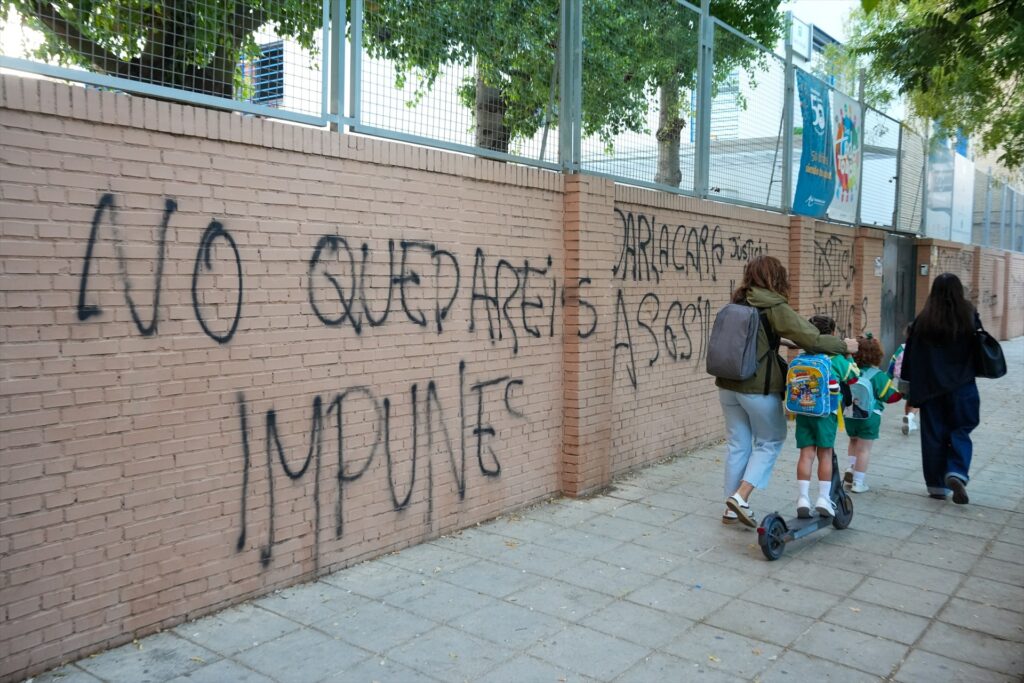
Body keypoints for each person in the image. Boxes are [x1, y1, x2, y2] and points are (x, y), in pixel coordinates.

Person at [715, 256, 858, 527]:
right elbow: (812, 337)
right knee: (770, 440)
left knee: (738, 445)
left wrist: (778, 339)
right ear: (775, 279)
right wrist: (844, 346)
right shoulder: (772, 305)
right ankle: (741, 496)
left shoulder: (738, 302)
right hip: (757, 387)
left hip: (727, 386)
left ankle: (731, 508)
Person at [902, 273, 981, 504]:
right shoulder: (968, 316)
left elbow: (911, 354)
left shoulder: (924, 320)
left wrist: (908, 385)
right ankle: (956, 471)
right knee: (962, 428)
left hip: (930, 388)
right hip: (962, 386)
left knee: (933, 434)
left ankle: (936, 486)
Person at [794, 315, 859, 518]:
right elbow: (854, 376)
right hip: (826, 414)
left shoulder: (803, 357)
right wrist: (849, 355)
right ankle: (823, 498)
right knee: (825, 454)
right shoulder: (837, 359)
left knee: (806, 454)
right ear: (832, 334)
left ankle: (803, 498)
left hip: (804, 411)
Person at [843, 333, 903, 493]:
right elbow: (891, 397)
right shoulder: (879, 376)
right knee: (864, 449)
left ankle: (851, 467)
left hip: (849, 414)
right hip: (870, 417)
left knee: (853, 442)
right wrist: (903, 392)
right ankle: (858, 482)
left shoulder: (850, 371)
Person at [888, 326, 919, 435]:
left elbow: (892, 363)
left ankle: (908, 423)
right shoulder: (923, 347)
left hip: (902, 380)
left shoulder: (902, 347)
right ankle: (910, 417)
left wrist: (888, 379)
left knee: (909, 400)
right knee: (918, 401)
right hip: (917, 380)